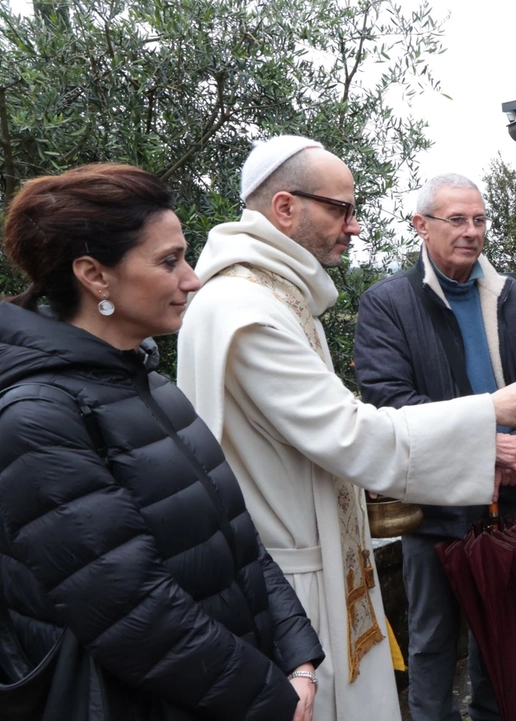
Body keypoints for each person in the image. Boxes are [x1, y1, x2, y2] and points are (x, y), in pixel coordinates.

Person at [176, 136, 516, 721]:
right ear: (285, 208)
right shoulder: (247, 309)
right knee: (422, 646)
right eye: (342, 209)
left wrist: (512, 445)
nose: (354, 228)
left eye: (480, 219)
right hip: (302, 574)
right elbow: (352, 431)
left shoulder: (267, 295)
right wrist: (488, 418)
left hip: (348, 541)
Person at [0, 164, 324, 720]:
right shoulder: (37, 418)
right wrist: (270, 698)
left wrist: (297, 655)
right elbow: (133, 613)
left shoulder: (149, 382)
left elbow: (235, 534)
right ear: (94, 276)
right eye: (169, 260)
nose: (192, 278)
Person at [353, 172, 516, 721]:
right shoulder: (388, 304)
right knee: (432, 641)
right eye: (457, 220)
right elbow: (390, 403)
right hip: (433, 506)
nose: (471, 231)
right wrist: (485, 447)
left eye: (479, 219)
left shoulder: (511, 296)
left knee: (500, 636)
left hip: (503, 501)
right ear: (421, 226)